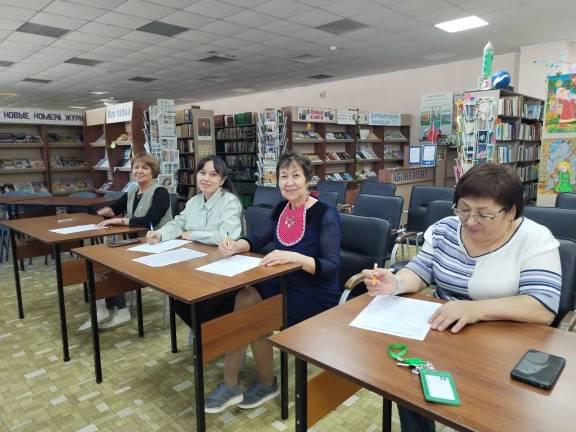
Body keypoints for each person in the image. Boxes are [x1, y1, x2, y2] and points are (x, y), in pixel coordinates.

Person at [362, 163, 562, 432]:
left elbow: (542, 307)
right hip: (444, 333)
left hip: (504, 345)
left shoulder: (534, 239)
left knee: (489, 410)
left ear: (511, 212)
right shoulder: (445, 229)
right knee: (409, 390)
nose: (470, 221)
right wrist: (396, 282)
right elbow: (420, 271)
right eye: (464, 209)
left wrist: (473, 309)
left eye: (484, 215)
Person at [206, 151, 341, 414]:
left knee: (256, 315)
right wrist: (235, 245)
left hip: (314, 291)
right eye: (283, 176)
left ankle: (260, 383)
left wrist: (294, 257)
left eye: (296, 176)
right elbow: (256, 239)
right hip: (281, 281)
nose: (289, 182)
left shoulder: (325, 214)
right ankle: (235, 383)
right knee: (245, 298)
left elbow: (331, 268)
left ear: (308, 180)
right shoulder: (281, 209)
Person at [78, 152, 172, 331]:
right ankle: (102, 308)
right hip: (137, 242)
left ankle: (120, 310)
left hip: (158, 244)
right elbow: (115, 208)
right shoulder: (133, 191)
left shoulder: (161, 192)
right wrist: (107, 211)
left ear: (153, 171)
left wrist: (119, 220)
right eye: (136, 167)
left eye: (145, 168)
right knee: (100, 261)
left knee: (114, 263)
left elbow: (149, 220)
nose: (139, 171)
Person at [146, 155, 243, 324]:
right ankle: (206, 336)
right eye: (202, 173)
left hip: (222, 268)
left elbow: (226, 236)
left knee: (200, 304)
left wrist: (193, 234)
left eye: (213, 174)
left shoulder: (230, 202)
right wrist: (160, 234)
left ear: (222, 180)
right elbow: (178, 224)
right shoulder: (193, 202)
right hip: (197, 264)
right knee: (180, 300)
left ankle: (209, 337)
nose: (206, 178)